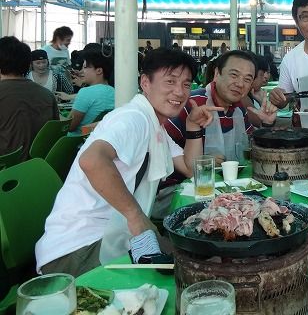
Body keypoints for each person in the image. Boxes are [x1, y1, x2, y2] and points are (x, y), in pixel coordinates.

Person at [35, 49, 222, 276]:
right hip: (79, 248)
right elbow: (92, 160)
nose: (179, 91)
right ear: (145, 83)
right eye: (170, 81)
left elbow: (190, 168)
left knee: (199, 259)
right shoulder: (133, 118)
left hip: (114, 235)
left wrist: (193, 127)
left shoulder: (155, 126)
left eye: (186, 84)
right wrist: (136, 216)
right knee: (193, 272)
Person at [165, 50, 277, 164]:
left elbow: (249, 145)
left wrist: (267, 123)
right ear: (217, 74)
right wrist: (202, 160)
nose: (240, 84)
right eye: (234, 75)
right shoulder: (191, 103)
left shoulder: (239, 108)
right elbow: (161, 146)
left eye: (247, 79)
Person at [0, 37, 59, 162]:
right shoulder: (48, 95)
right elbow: (55, 134)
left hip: (6, 168)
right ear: (28, 64)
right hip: (39, 165)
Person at [67, 51, 115, 135]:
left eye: (85, 67)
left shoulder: (85, 92)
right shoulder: (115, 92)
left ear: (99, 70)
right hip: (101, 137)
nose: (81, 71)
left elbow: (70, 126)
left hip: (78, 140)